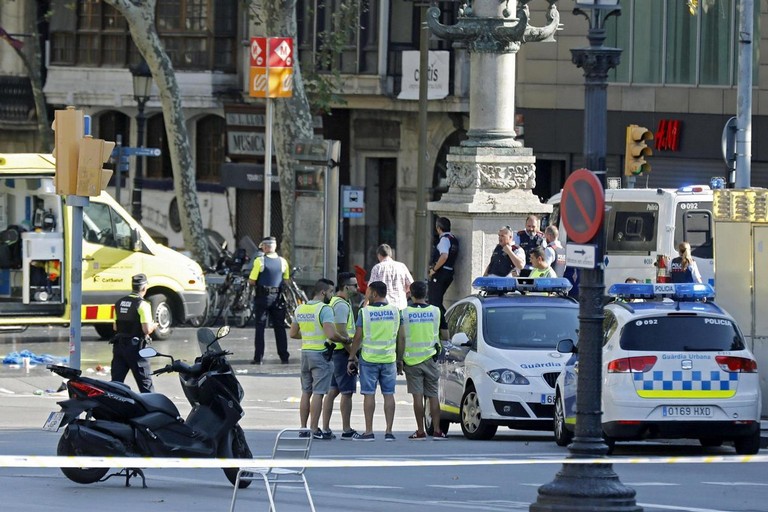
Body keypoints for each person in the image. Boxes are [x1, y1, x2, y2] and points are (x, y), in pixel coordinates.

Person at [289, 278, 350, 440]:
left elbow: (293, 333)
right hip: (321, 355)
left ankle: (303, 428)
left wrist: (309, 335)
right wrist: (344, 339)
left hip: (306, 353)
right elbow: (331, 334)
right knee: (318, 393)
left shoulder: (300, 308)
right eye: (330, 291)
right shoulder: (325, 309)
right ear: (323, 292)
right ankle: (315, 429)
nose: (332, 295)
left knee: (305, 392)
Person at [347, 281, 401, 441]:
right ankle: (389, 432)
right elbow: (401, 337)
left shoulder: (365, 312)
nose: (366, 294)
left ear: (375, 294)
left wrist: (351, 356)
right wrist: (399, 358)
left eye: (368, 292)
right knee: (389, 394)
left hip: (369, 359)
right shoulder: (395, 311)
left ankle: (369, 431)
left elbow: (357, 337)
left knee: (369, 394)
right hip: (389, 359)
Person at [396, 281, 449, 440]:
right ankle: (438, 430)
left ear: (410, 294)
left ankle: (420, 431)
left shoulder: (404, 313)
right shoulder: (437, 311)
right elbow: (445, 336)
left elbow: (402, 338)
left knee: (417, 396)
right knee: (433, 395)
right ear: (426, 294)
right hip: (430, 358)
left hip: (411, 360)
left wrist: (399, 359)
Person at [321, 272, 359, 440]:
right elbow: (342, 330)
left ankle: (326, 428)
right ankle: (346, 428)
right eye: (354, 285)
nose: (357, 288)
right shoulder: (342, 305)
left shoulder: (337, 302)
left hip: (334, 352)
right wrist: (352, 354)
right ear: (345, 287)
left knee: (333, 390)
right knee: (347, 392)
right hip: (342, 352)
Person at [110, 273, 157, 393]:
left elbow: (115, 327)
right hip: (136, 349)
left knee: (116, 385)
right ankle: (152, 410)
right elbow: (146, 330)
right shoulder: (143, 305)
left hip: (119, 347)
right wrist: (154, 326)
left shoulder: (119, 302)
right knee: (146, 386)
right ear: (145, 288)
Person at [248, 236, 290, 364]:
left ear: (265, 247)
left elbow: (252, 281)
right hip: (278, 298)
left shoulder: (259, 261)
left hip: (263, 297)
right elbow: (286, 280)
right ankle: (284, 356)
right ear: (275, 247)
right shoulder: (283, 262)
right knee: (280, 327)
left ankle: (258, 358)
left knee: (260, 327)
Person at [428, 217, 458, 318]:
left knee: (434, 302)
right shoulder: (453, 239)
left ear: (438, 228)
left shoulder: (444, 240)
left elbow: (444, 256)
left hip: (440, 274)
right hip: (448, 273)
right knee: (437, 301)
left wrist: (434, 269)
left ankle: (447, 321)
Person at [368, 244, 414, 310]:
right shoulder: (401, 266)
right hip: (400, 306)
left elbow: (370, 288)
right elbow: (411, 284)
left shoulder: (377, 268)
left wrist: (367, 303)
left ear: (379, 255)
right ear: (390, 254)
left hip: (384, 307)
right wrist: (405, 293)